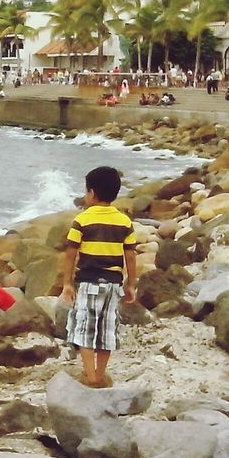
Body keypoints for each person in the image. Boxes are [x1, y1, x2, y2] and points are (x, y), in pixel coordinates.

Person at [60, 166, 137, 388]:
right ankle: (101, 374)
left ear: (92, 193)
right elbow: (130, 256)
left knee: (85, 328)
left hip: (88, 282)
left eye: (86, 192)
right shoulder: (124, 222)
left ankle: (90, 375)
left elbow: (70, 254)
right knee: (107, 330)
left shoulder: (82, 220)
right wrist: (131, 284)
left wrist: (67, 283)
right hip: (113, 284)